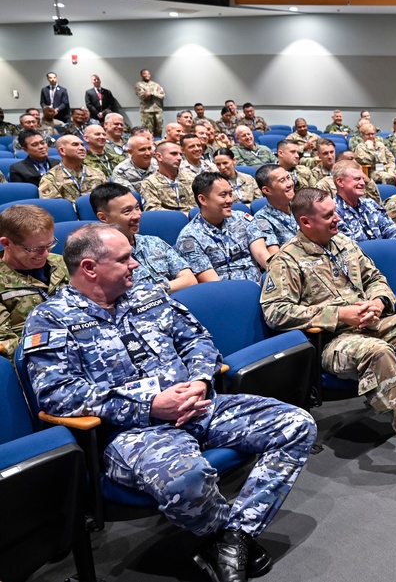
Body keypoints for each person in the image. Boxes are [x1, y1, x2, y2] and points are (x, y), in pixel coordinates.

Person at [22, 223, 316, 582]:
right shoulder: (52, 318)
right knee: (185, 480)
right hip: (134, 431)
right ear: (89, 267)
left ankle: (233, 538)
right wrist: (148, 405)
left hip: (199, 404)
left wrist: (200, 380)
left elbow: (198, 340)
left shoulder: (149, 295)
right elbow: (58, 394)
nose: (135, 265)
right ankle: (225, 537)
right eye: (124, 259)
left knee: (296, 424)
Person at [261, 188, 396, 492]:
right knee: (379, 351)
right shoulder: (287, 260)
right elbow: (275, 312)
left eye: (334, 212)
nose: (337, 218)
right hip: (334, 342)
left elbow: (375, 279)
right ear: (305, 222)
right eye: (328, 215)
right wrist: (340, 315)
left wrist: (378, 302)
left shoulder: (343, 243)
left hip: (372, 323)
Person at [90, 182, 197, 294]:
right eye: (127, 211)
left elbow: (190, 280)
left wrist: (157, 289)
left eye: (137, 207)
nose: (137, 215)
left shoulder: (153, 242)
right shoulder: (99, 256)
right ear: (103, 218)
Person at [0, 205, 68, 359]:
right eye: (36, 249)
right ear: (6, 243)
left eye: (49, 245)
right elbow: (4, 343)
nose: (45, 254)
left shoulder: (61, 263)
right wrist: (58, 342)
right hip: (34, 359)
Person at [175, 172, 270, 282]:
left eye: (230, 194)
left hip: (261, 285)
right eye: (223, 195)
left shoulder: (243, 218)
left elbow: (261, 253)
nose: (230, 200)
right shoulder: (189, 237)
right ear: (203, 199)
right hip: (226, 292)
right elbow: (213, 282)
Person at [328, 160, 396, 244]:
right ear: (340, 182)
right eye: (357, 179)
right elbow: (351, 249)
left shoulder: (370, 204)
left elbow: (394, 233)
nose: (363, 183)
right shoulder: (333, 213)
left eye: (363, 178)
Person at [38, 136, 105, 201]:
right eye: (75, 145)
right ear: (62, 151)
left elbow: (109, 198)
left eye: (82, 145)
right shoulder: (50, 178)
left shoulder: (97, 173)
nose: (82, 148)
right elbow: (55, 208)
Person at [140, 141, 198, 213]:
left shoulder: (192, 178)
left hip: (195, 220)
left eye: (180, 154)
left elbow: (201, 204)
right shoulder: (149, 183)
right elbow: (152, 210)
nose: (179, 158)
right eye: (174, 154)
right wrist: (182, 216)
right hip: (168, 221)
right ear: (159, 156)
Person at [254, 164, 298, 253]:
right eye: (282, 181)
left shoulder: (301, 205)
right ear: (267, 190)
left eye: (288, 178)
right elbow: (275, 256)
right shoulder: (262, 219)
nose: (290, 183)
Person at [134, 69, 165, 136]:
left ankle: (158, 142)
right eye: (145, 73)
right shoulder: (139, 85)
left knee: (159, 128)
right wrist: (156, 93)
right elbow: (143, 96)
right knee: (147, 130)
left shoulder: (156, 85)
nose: (147, 75)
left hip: (158, 109)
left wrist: (151, 93)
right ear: (141, 75)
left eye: (148, 73)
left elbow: (162, 96)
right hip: (146, 110)